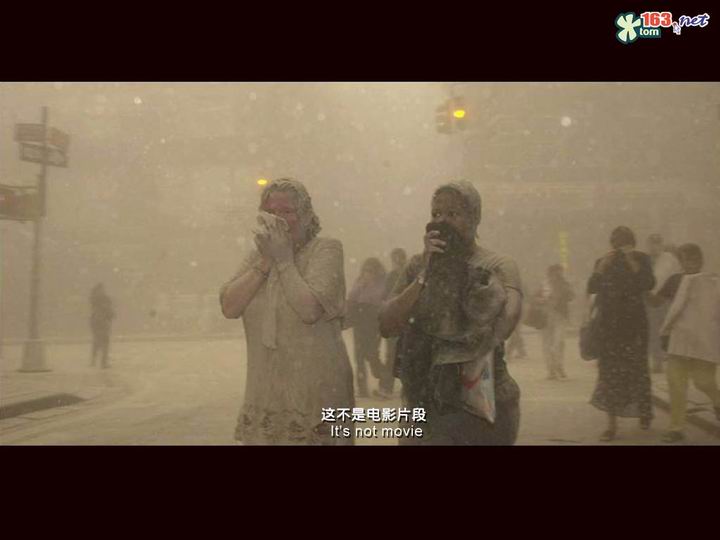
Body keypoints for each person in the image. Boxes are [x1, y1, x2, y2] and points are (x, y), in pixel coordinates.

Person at [379, 180, 523, 445]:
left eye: (453, 214)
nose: (441, 221)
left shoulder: (497, 264)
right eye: (436, 214)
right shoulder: (418, 266)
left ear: (475, 218)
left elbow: (508, 320)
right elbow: (387, 324)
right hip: (423, 402)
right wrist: (426, 274)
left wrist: (468, 282)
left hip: (481, 401)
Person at [219, 178, 354, 445]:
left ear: (306, 215)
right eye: (271, 212)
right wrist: (266, 262)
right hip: (266, 390)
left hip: (316, 390)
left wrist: (284, 260)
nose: (278, 220)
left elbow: (309, 310)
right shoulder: (257, 256)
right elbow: (229, 306)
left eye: (288, 211)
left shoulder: (326, 249)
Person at [587, 226, 655, 441]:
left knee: (638, 370)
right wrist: (601, 268)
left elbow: (647, 283)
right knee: (609, 375)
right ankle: (611, 425)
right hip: (609, 327)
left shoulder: (641, 259)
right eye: (616, 243)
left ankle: (644, 411)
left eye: (624, 243)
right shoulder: (603, 261)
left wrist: (632, 261)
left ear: (632, 243)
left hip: (634, 327)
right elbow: (592, 288)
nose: (619, 247)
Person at [657, 243, 720, 443]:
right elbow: (658, 302)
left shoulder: (713, 282)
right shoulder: (676, 280)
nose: (691, 263)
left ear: (701, 260)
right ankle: (676, 428)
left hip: (701, 342)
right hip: (681, 341)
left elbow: (676, 309)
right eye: (687, 259)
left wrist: (664, 329)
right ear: (681, 262)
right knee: (676, 384)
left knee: (703, 381)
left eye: (694, 259)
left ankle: (718, 401)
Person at [347, 257, 387, 398]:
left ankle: (384, 379)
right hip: (359, 321)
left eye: (370, 271)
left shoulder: (382, 282)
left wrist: (369, 288)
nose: (367, 273)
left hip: (373, 322)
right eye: (365, 270)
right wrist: (361, 286)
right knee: (359, 356)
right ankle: (362, 388)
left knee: (371, 354)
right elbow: (351, 297)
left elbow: (379, 299)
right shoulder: (360, 282)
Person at [645, 234, 681, 374]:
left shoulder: (670, 259)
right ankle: (657, 360)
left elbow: (677, 277)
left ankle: (670, 359)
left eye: (657, 243)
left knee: (666, 330)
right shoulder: (644, 260)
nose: (654, 247)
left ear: (661, 244)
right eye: (651, 243)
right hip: (648, 300)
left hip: (665, 300)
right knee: (652, 331)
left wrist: (670, 296)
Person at [536, 264, 574, 379]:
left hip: (560, 317)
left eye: (559, 273)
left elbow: (571, 296)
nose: (557, 275)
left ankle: (559, 365)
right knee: (547, 344)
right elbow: (535, 297)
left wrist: (563, 291)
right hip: (546, 317)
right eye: (555, 273)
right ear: (550, 274)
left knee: (559, 342)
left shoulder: (564, 284)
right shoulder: (544, 285)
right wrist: (542, 300)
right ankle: (551, 369)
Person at [379, 248, 408, 397]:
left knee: (403, 354)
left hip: (406, 321)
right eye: (394, 259)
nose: (396, 262)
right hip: (394, 320)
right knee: (391, 355)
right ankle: (386, 387)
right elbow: (385, 297)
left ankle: (405, 387)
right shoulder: (391, 276)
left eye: (399, 259)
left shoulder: (409, 274)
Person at [89, 283, 115, 369]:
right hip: (101, 323)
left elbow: (108, 310)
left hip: (97, 323)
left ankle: (95, 360)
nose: (103, 290)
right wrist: (111, 314)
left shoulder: (95, 299)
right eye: (102, 289)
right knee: (103, 342)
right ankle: (102, 362)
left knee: (98, 342)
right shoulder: (103, 299)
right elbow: (108, 310)